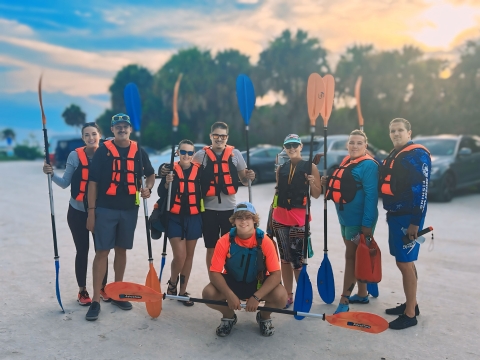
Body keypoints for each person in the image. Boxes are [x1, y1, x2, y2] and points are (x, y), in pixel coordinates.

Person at [85, 113, 155, 321]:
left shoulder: (139, 152)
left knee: (121, 250)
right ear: (112, 130)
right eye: (118, 127)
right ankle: (96, 299)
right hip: (105, 209)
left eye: (125, 126)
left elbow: (150, 175)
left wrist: (148, 188)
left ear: (130, 130)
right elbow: (93, 183)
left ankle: (116, 292)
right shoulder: (103, 151)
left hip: (129, 209)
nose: (122, 129)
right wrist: (91, 212)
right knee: (102, 252)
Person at [160, 122, 255, 270]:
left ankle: (228, 280)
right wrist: (164, 169)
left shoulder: (235, 155)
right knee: (211, 248)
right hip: (208, 210)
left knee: (229, 247)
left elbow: (244, 180)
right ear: (211, 136)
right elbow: (184, 166)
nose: (219, 139)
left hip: (229, 210)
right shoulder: (201, 155)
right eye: (216, 135)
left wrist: (250, 176)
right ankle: (214, 279)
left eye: (223, 136)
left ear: (227, 137)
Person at [42, 122, 108, 306]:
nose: (91, 138)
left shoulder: (106, 154)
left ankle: (103, 287)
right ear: (82, 138)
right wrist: (51, 174)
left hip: (99, 212)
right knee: (83, 250)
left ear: (99, 135)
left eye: (94, 134)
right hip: (77, 211)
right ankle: (82, 291)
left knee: (102, 250)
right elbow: (64, 183)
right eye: (86, 135)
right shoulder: (75, 155)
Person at [202, 202, 287, 337]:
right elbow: (214, 272)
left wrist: (256, 296)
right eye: (239, 217)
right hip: (233, 281)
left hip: (257, 283)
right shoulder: (224, 241)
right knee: (208, 294)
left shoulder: (265, 241)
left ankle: (264, 317)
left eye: (247, 217)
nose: (243, 221)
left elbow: (276, 275)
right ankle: (229, 316)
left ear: (254, 220)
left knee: (282, 297)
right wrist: (229, 295)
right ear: (233, 221)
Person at [380, 118, 431, 330]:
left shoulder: (417, 155)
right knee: (405, 262)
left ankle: (410, 315)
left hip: (408, 218)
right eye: (392, 131)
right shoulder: (395, 154)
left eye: (400, 130)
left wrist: (415, 223)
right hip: (395, 215)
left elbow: (422, 191)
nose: (396, 134)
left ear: (409, 132)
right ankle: (412, 305)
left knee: (404, 263)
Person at [321, 130, 379, 314]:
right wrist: (327, 182)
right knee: (358, 255)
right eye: (351, 142)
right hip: (345, 218)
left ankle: (344, 300)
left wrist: (367, 225)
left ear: (365, 145)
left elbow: (371, 197)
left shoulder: (369, 166)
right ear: (347, 145)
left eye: (359, 143)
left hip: (359, 221)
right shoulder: (348, 161)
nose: (354, 146)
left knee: (351, 257)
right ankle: (362, 293)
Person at [271, 134, 321, 308]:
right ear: (284, 148)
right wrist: (271, 220)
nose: (291, 148)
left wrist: (312, 182)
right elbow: (277, 195)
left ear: (300, 146)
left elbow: (316, 193)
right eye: (288, 145)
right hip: (280, 218)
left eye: (294, 145)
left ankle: (303, 295)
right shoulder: (281, 168)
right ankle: (288, 295)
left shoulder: (311, 167)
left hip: (299, 220)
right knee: (284, 259)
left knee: (297, 261)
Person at [158, 139, 203, 306]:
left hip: (194, 217)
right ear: (177, 153)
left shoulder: (200, 171)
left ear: (193, 155)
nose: (186, 155)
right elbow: (161, 192)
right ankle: (172, 283)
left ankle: (182, 291)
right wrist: (166, 182)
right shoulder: (170, 170)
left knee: (189, 256)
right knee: (180, 256)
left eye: (190, 153)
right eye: (183, 152)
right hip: (174, 218)